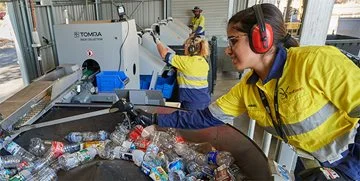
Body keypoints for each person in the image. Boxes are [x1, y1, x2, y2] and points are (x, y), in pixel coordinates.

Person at [139, 3, 360, 180]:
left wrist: (348, 170)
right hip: (313, 160)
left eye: (234, 41)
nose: (228, 49)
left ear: (261, 38)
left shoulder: (315, 62)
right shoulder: (248, 89)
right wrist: (154, 117)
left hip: (350, 157)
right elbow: (203, 118)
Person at [150, 33, 211, 110]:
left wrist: (157, 41)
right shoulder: (203, 61)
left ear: (191, 48)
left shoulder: (186, 61)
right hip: (203, 99)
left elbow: (164, 54)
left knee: (191, 121)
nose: (184, 47)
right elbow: (190, 71)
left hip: (192, 103)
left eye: (185, 45)